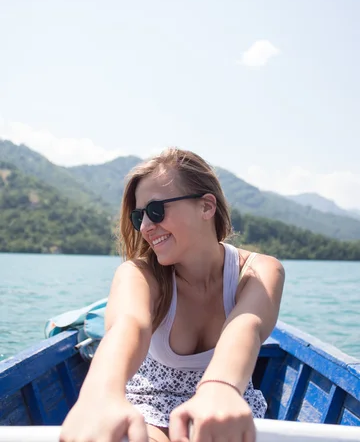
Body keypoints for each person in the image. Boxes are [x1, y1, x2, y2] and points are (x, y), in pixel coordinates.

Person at [61, 148, 285, 442]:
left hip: (223, 407)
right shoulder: (139, 275)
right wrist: (100, 394)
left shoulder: (259, 271)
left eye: (156, 210)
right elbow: (128, 326)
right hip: (150, 408)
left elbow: (246, 326)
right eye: (138, 216)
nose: (145, 227)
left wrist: (219, 387)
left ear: (206, 207)